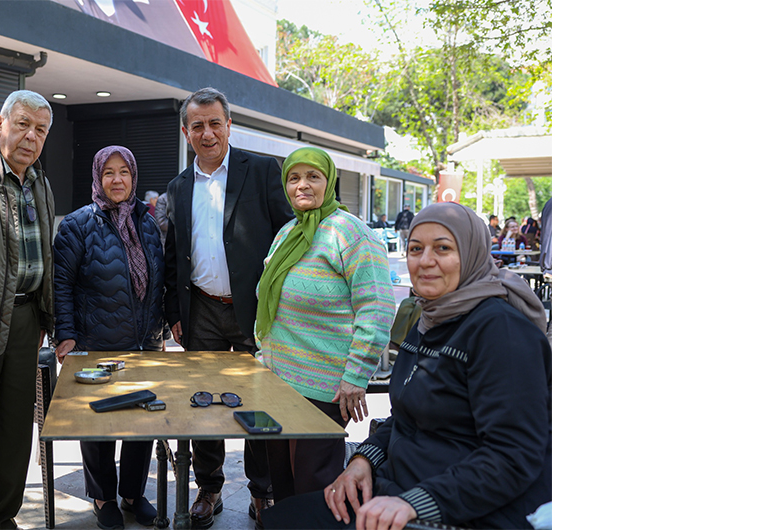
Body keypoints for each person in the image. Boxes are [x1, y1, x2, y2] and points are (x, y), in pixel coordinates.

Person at [262, 202, 551, 530]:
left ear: (471, 253)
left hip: (463, 508)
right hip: (399, 487)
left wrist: (414, 503)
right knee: (283, 518)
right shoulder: (430, 319)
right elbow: (405, 417)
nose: (425, 261)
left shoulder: (501, 331)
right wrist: (363, 460)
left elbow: (513, 455)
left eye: (442, 248)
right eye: (416, 249)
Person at [163, 87, 294, 528]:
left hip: (255, 309)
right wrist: (174, 313)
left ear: (229, 126)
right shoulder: (178, 186)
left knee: (258, 402)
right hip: (201, 310)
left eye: (215, 123)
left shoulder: (261, 170)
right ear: (186, 132)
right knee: (205, 403)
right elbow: (173, 255)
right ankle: (209, 487)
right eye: (197, 126)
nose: (207, 133)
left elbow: (287, 237)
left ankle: (262, 491)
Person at [253, 147, 396, 512]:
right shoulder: (287, 232)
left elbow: (377, 308)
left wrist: (356, 375)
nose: (302, 185)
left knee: (314, 489)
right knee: (283, 486)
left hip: (324, 388)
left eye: (312, 177)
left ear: (329, 182)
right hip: (277, 381)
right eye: (294, 178)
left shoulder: (350, 233)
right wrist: (262, 354)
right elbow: (268, 299)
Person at [53, 146, 166, 529]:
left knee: (142, 421)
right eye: (109, 173)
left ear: (133, 176)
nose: (117, 180)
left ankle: (132, 493)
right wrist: (66, 335)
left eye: (124, 172)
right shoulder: (78, 224)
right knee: (98, 423)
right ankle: (103, 497)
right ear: (98, 178)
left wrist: (162, 328)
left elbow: (158, 279)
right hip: (96, 343)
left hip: (144, 343)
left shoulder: (146, 222)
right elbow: (61, 284)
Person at [0, 89, 57, 529]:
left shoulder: (40, 182)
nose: (31, 137)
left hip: (25, 319)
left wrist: (45, 317)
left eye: (40, 130)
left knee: (15, 428)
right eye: (22, 124)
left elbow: (46, 256)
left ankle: (0, 517)